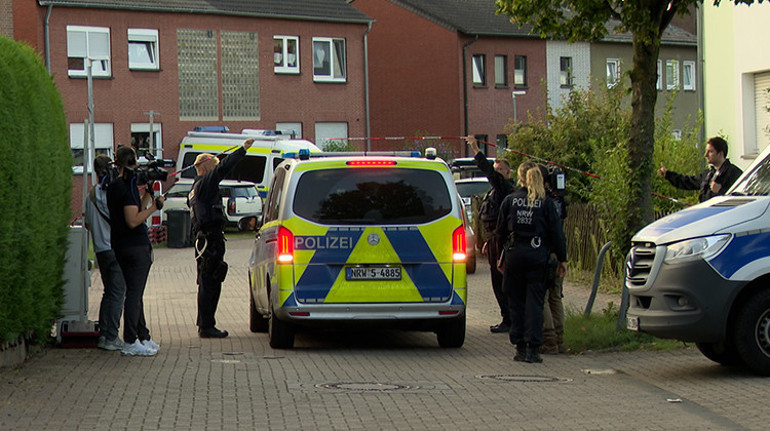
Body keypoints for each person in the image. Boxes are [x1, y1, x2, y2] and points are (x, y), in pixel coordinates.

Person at [497, 163, 567, 363]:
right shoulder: (545, 203)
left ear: (520, 178)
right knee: (535, 304)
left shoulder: (510, 201)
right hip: (538, 256)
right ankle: (534, 350)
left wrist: (501, 256)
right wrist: (562, 258)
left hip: (515, 255)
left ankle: (519, 348)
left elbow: (500, 231)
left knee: (516, 303)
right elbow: (557, 233)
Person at [188, 137, 255, 338]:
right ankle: (207, 326)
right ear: (204, 167)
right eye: (212, 167)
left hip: (204, 239)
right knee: (211, 282)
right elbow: (222, 169)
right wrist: (242, 150)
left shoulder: (195, 189)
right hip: (210, 240)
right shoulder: (204, 185)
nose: (215, 171)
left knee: (207, 281)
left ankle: (205, 323)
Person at [107, 145, 164, 356]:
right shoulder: (128, 185)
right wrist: (155, 208)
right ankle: (131, 339)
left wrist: (147, 195)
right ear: (132, 162)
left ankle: (143, 335)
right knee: (134, 294)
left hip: (120, 245)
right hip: (136, 246)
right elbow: (133, 220)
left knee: (134, 291)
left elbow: (133, 207)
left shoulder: (114, 186)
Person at [464, 135, 516, 333]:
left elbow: (490, 174)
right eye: (496, 169)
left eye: (500, 169)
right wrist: (488, 240)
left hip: (502, 242)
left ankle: (510, 319)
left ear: (508, 173)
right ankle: (507, 318)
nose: (496, 173)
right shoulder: (494, 191)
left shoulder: (504, 187)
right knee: (496, 281)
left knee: (503, 281)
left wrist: (476, 149)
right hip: (494, 240)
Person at [84, 154, 127, 351]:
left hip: (100, 250)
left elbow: (87, 224)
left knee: (108, 292)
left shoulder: (90, 196)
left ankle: (103, 335)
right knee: (118, 293)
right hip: (115, 247)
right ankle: (111, 337)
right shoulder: (111, 193)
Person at [537, 165, 568, 355]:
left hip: (546, 254)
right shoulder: (558, 199)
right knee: (556, 297)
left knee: (543, 298)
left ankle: (549, 340)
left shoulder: (542, 202)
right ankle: (559, 339)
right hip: (557, 253)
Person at [658, 136, 743, 203]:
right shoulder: (708, 174)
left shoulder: (734, 173)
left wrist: (721, 191)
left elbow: (743, 197)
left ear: (720, 154)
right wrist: (668, 175)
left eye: (710, 151)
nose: (706, 155)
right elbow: (688, 182)